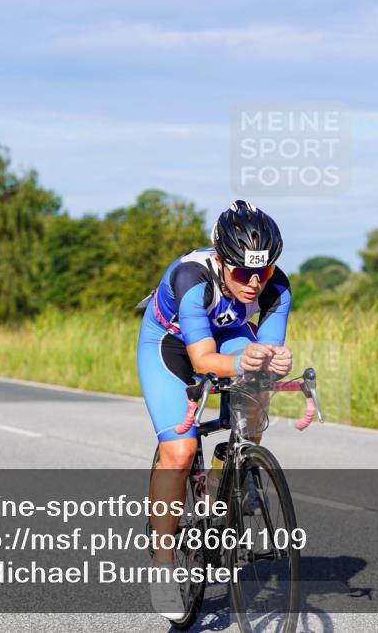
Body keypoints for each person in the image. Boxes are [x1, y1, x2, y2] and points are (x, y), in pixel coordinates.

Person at [136, 200, 292, 619]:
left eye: (265, 271)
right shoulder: (191, 278)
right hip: (169, 346)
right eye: (243, 272)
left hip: (226, 336)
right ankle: (163, 565)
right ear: (222, 262)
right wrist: (249, 361)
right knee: (181, 452)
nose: (255, 283)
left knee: (259, 379)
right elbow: (203, 361)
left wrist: (276, 361)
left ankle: (234, 470)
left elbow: (266, 351)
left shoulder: (276, 287)